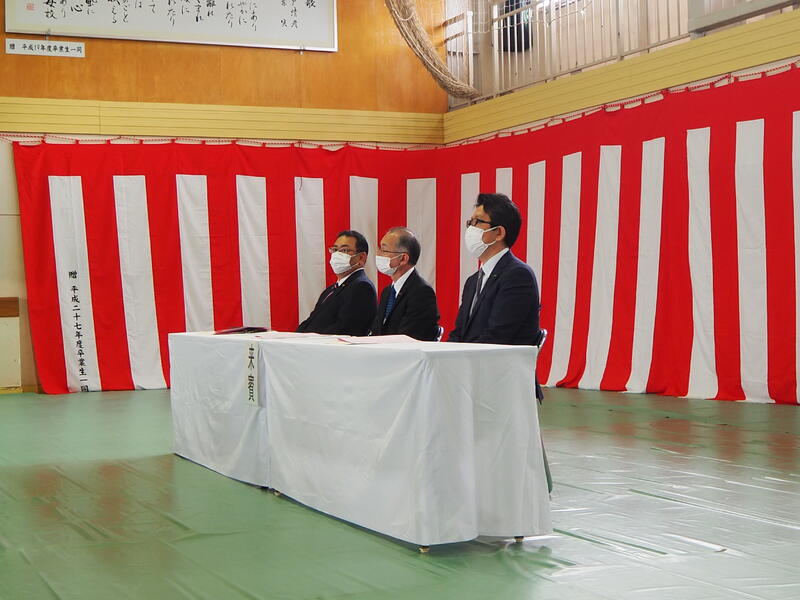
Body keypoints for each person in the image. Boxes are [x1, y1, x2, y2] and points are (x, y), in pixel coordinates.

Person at [296, 230, 377, 336]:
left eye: (344, 250)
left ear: (361, 257)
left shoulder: (362, 287)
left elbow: (346, 329)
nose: (337, 254)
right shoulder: (331, 289)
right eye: (335, 250)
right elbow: (312, 320)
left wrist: (312, 338)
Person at [370, 227, 439, 341]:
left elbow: (409, 337)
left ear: (403, 258)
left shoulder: (421, 292)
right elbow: (376, 331)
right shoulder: (388, 291)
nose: (379, 254)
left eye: (384, 250)